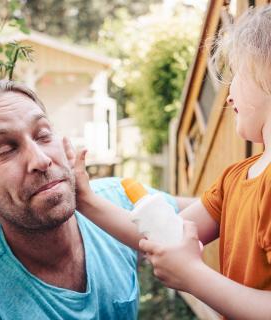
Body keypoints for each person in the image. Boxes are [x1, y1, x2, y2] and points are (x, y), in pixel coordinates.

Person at [72, 5, 271, 320]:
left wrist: (194, 277)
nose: (228, 96)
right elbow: (163, 232)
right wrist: (86, 200)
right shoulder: (235, 179)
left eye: (236, 75)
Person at [0, 79, 195, 319]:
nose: (41, 160)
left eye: (43, 135)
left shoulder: (114, 201)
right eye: (5, 149)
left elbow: (220, 209)